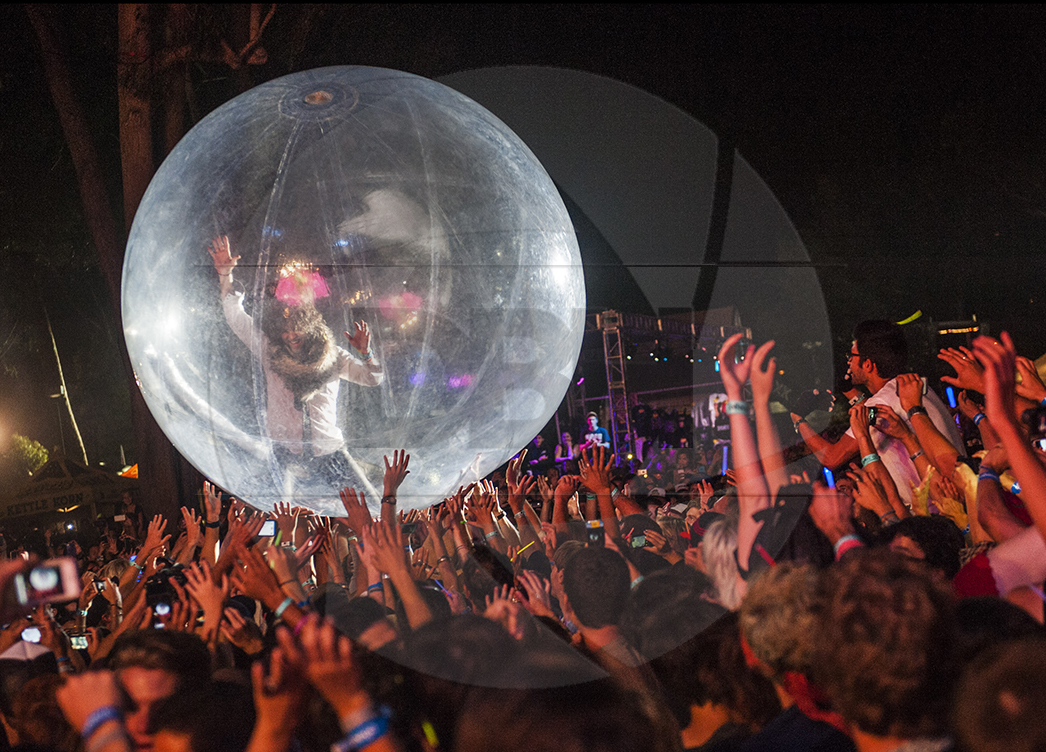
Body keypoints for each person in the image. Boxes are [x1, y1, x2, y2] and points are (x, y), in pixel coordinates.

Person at [209, 236, 384, 489]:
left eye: (297, 329)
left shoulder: (333, 356)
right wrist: (226, 276)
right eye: (286, 330)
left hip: (329, 451)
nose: (291, 335)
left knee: (370, 508)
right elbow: (236, 318)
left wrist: (366, 354)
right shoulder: (271, 352)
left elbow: (373, 379)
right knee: (285, 516)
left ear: (311, 330)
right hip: (285, 455)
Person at [791, 320, 960, 505]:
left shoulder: (884, 400)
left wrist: (798, 417)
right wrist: (850, 393)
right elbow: (875, 414)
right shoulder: (911, 387)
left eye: (852, 355)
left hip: (931, 515)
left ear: (869, 365)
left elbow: (831, 457)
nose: (848, 361)